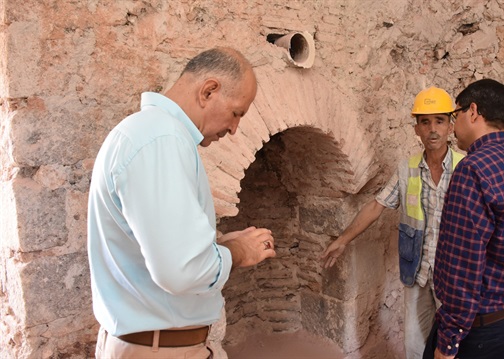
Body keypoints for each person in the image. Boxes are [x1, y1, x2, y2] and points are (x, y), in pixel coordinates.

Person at [87, 47, 276, 359]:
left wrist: (215, 249)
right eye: (236, 113)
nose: (233, 129)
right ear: (209, 91)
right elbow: (180, 271)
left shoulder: (152, 135)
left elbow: (162, 250)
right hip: (159, 350)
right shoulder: (160, 139)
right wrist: (239, 252)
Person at [321, 87, 465, 359]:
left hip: (455, 275)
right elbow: (377, 205)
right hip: (418, 272)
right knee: (415, 345)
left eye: (439, 121)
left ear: (450, 126)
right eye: (425, 122)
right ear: (416, 129)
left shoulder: (466, 167)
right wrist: (342, 239)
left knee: (454, 349)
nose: (432, 129)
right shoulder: (406, 168)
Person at [424, 79, 504, 359]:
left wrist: (447, 342)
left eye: (455, 116)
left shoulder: (472, 170)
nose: (454, 127)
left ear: (473, 112)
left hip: (483, 329)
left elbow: (461, 266)